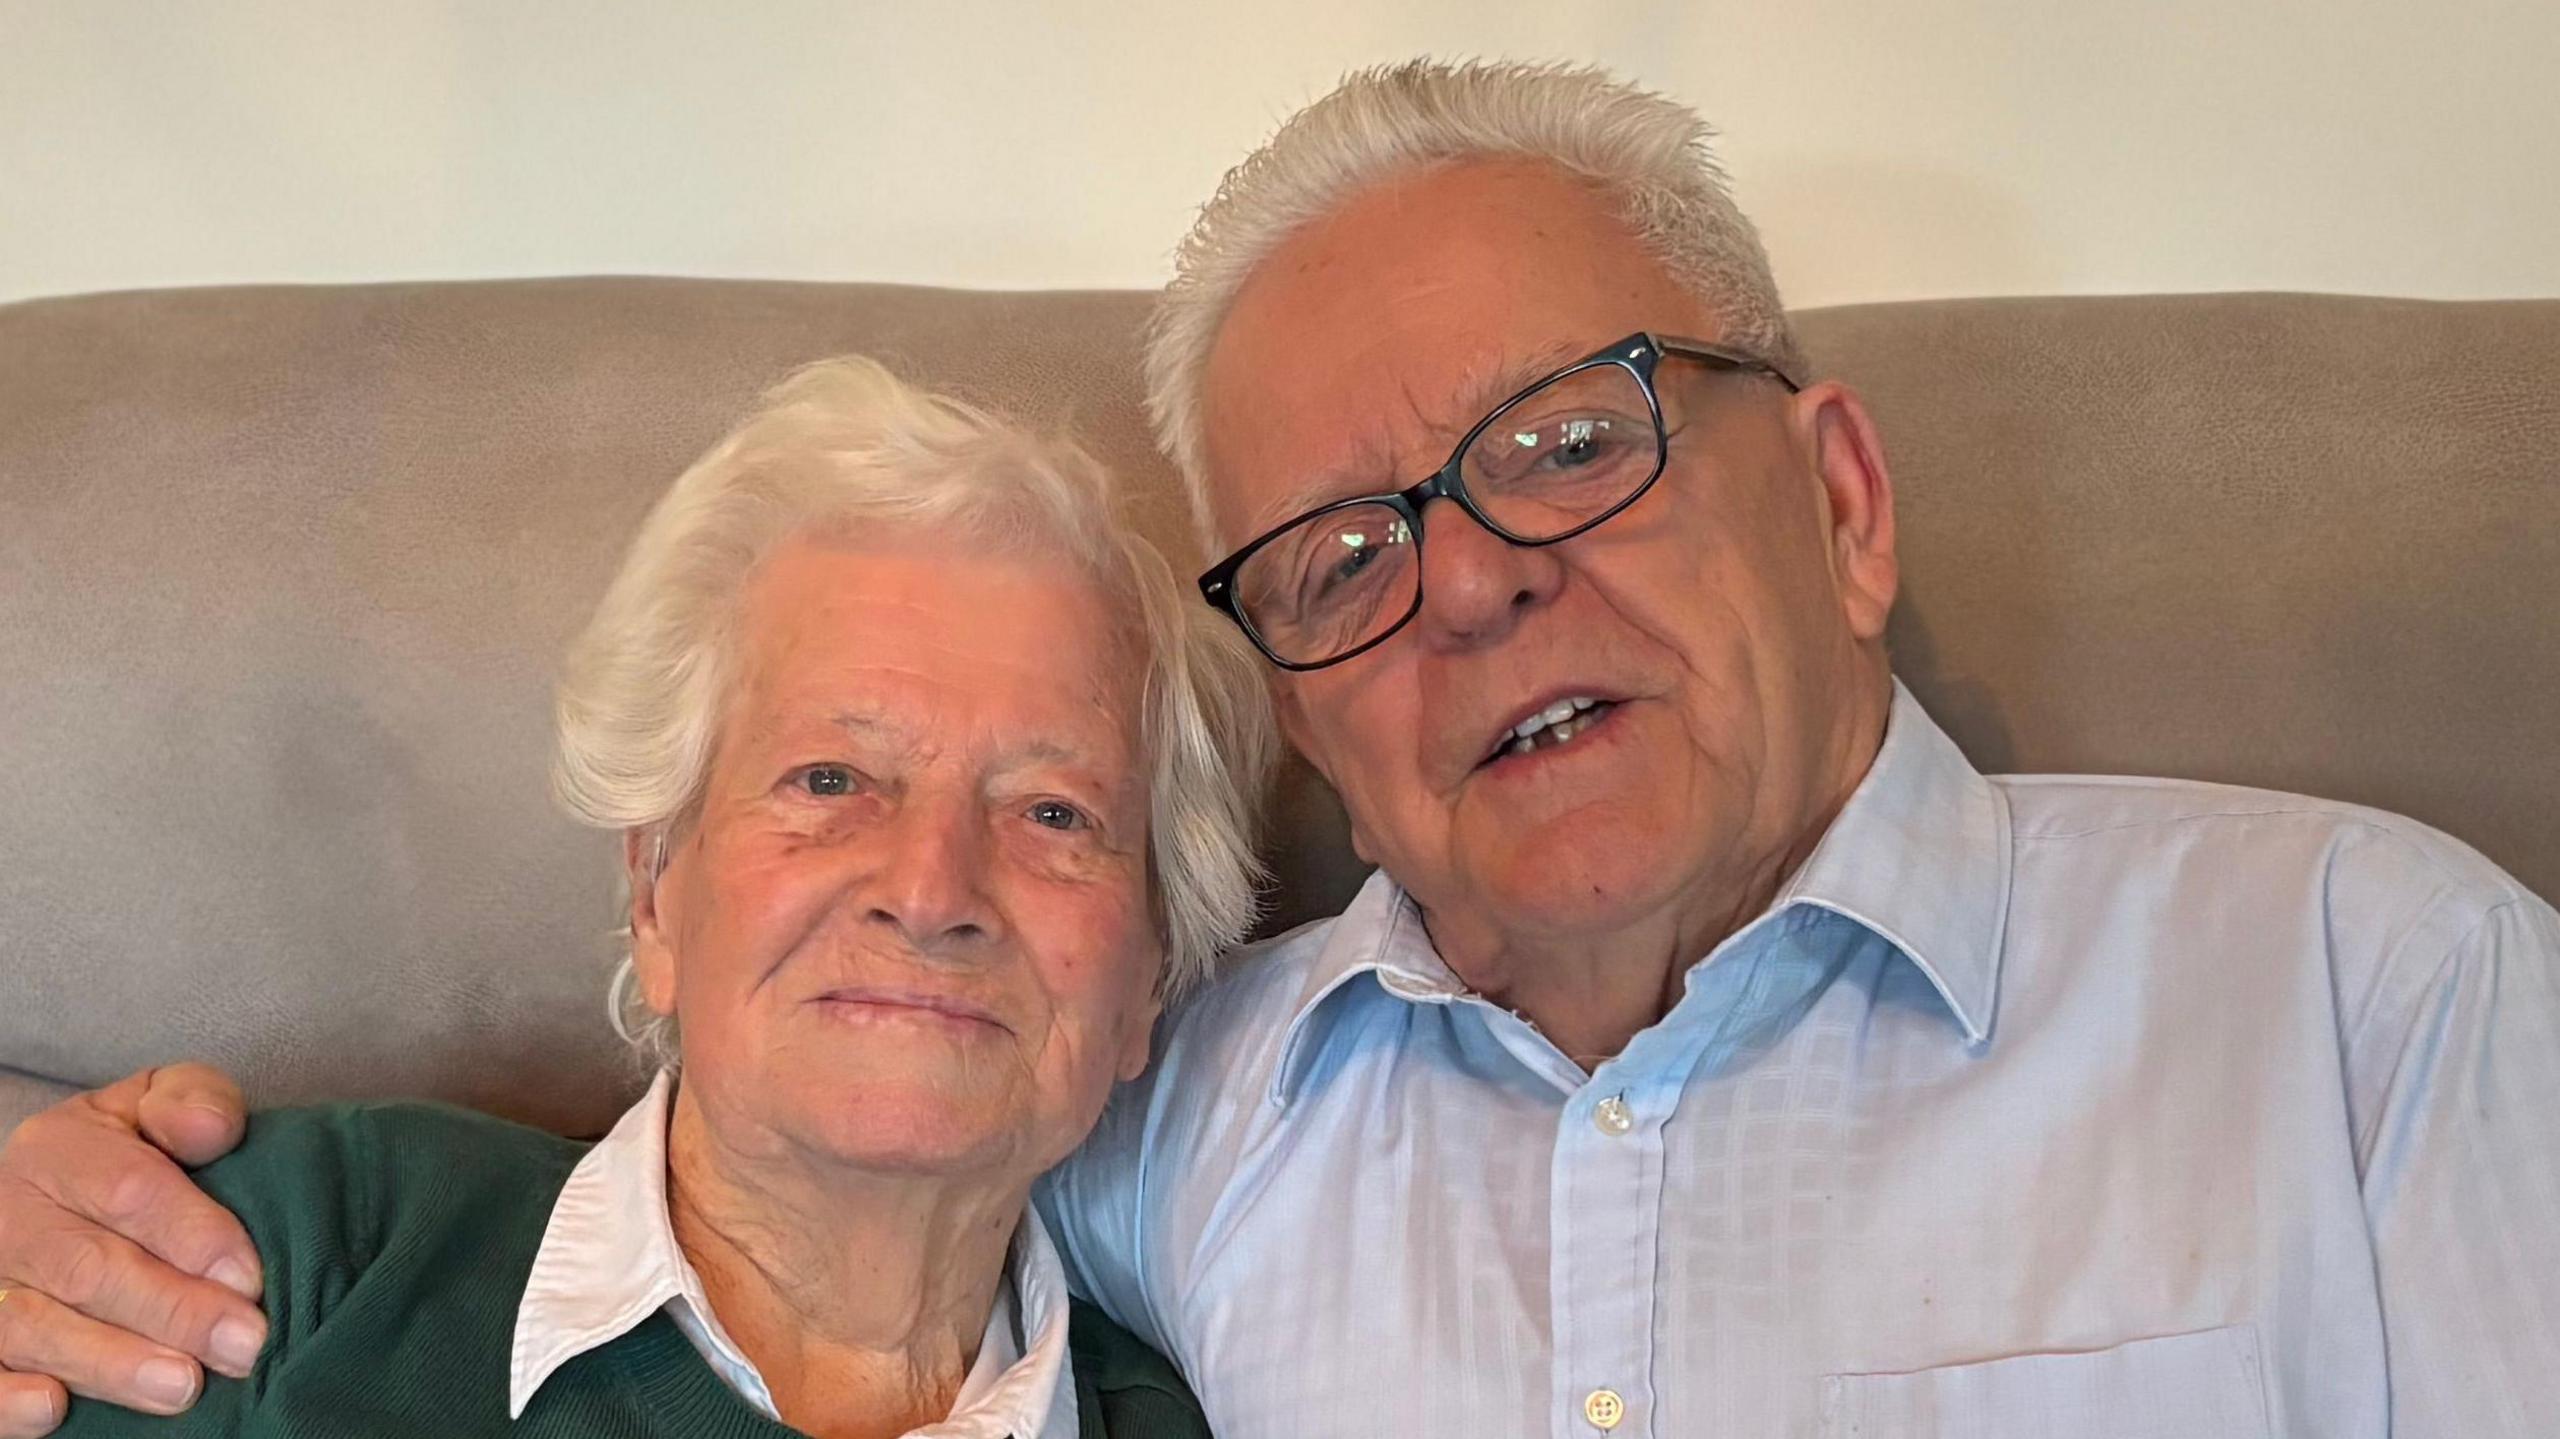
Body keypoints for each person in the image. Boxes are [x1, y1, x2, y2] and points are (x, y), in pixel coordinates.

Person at [7, 58, 2558, 1438]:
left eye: (1573, 437)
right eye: (1341, 547)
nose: (1465, 575)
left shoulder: (2370, 995)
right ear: (645, 880)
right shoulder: (1187, 1118)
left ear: (1846, 498)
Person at [1, 356, 1265, 1437]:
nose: (931, 891)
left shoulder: (1189, 1414)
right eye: (830, 778)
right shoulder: (273, 1251)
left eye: (1053, 812)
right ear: (657, 891)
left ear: (1148, 976)